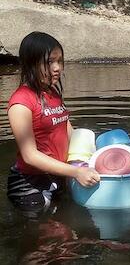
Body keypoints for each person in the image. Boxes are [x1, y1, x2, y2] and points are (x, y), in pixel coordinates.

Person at [7, 31, 100, 212]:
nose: (57, 68)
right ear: (31, 63)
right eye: (50, 62)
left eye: (60, 61)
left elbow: (68, 132)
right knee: (48, 235)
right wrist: (76, 172)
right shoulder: (21, 102)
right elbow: (30, 155)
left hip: (58, 175)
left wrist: (96, 156)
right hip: (28, 185)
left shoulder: (53, 94)